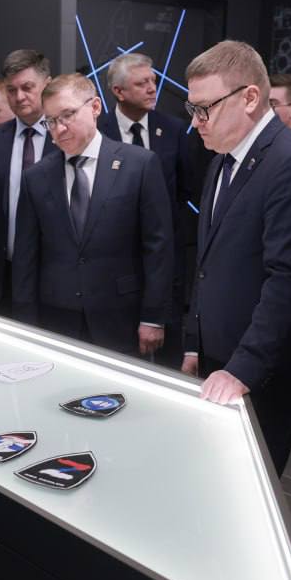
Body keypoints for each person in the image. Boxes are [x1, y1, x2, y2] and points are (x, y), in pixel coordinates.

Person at [181, 40, 291, 475]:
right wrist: (195, 341)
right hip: (220, 359)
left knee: (246, 487)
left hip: (262, 373)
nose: (195, 122)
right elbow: (208, 263)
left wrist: (242, 370)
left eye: (204, 109)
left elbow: (288, 280)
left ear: (250, 97)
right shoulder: (222, 160)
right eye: (192, 109)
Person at [12, 74, 173, 355]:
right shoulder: (36, 177)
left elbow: (158, 247)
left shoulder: (139, 165)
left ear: (95, 107)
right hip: (56, 317)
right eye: (51, 121)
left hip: (121, 314)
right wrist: (25, 322)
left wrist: (153, 316)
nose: (59, 129)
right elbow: (26, 257)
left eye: (68, 115)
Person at [97, 52, 194, 364]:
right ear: (119, 91)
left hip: (164, 259)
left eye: (153, 81)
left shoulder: (174, 129)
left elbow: (185, 190)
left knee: (168, 354)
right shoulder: (98, 131)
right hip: (113, 264)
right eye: (141, 83)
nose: (153, 88)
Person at [0, 49, 57, 314]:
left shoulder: (67, 137)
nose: (19, 97)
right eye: (12, 90)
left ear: (47, 85)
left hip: (57, 277)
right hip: (6, 276)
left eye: (27, 87)